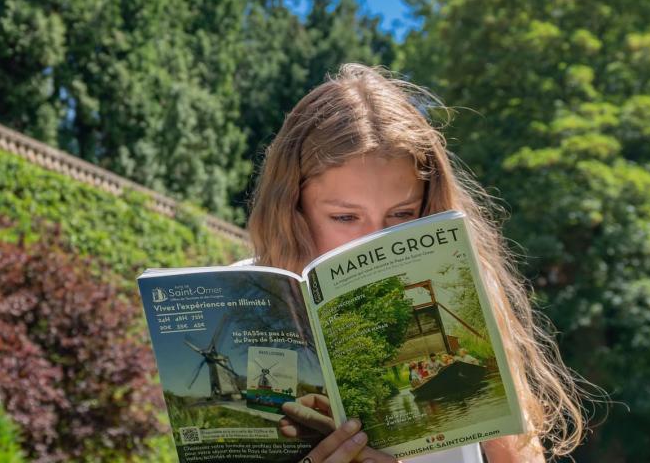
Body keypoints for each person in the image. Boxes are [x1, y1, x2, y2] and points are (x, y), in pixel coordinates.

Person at [249, 64, 586, 463]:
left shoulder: (468, 287)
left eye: (402, 214)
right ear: (293, 209)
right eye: (344, 217)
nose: (374, 241)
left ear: (428, 205)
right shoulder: (250, 296)